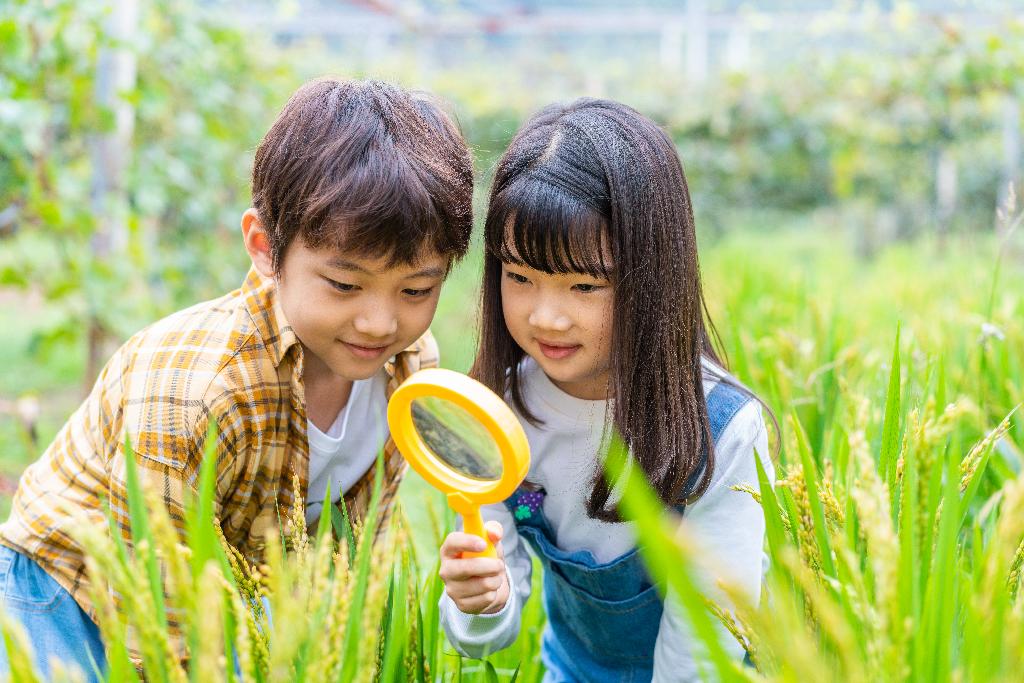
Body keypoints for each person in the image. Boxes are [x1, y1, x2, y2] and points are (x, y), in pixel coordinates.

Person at [0, 77, 474, 680]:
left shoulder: (410, 370)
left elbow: (356, 559)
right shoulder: (199, 394)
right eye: (345, 285)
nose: (380, 322)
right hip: (63, 592)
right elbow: (160, 618)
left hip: (223, 585)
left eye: (416, 289)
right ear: (264, 247)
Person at [437, 98, 775, 682]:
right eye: (519, 276)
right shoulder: (500, 415)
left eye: (584, 285)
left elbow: (705, 644)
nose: (547, 317)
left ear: (653, 277)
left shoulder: (720, 431)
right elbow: (492, 623)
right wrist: (482, 602)